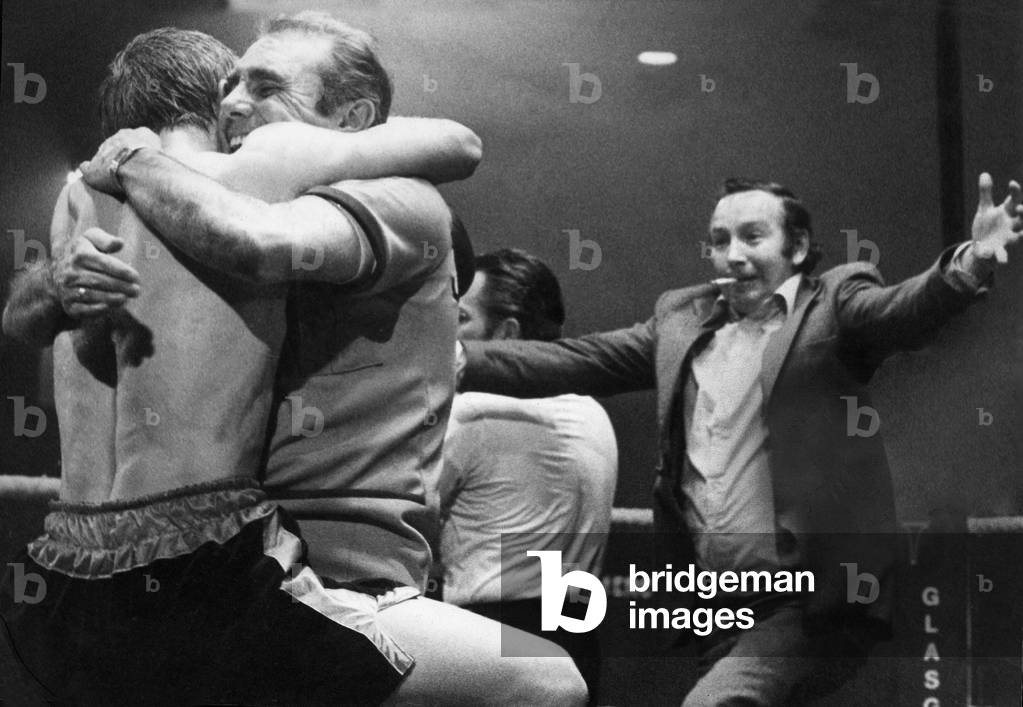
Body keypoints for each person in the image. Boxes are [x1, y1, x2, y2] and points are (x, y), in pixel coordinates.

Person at [9, 13, 587, 706]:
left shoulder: (92, 195)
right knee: (550, 676)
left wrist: (126, 170)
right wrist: (77, 254)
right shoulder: (250, 175)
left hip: (78, 576)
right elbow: (263, 235)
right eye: (230, 84)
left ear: (354, 117)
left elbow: (26, 317)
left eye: (263, 84)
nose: (237, 104)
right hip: (298, 578)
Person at [459, 177, 1023, 706]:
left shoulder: (832, 304)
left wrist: (969, 262)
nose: (734, 254)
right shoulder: (682, 322)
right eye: (720, 240)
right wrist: (453, 359)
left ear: (797, 247)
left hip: (810, 598)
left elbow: (904, 309)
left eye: (753, 236)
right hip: (717, 605)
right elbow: (573, 361)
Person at [440, 248, 618, 699]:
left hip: (491, 643)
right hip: (579, 636)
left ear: (507, 333)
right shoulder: (594, 413)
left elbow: (407, 532)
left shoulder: (470, 413)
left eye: (460, 318)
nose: (445, 333)